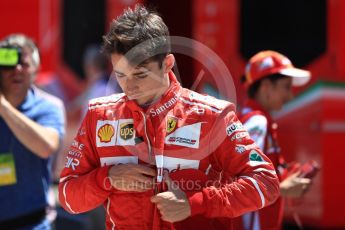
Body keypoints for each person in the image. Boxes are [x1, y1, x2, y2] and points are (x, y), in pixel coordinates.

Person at [58, 5, 280, 229]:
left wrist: (195, 204)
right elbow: (68, 198)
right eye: (120, 75)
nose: (129, 86)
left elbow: (266, 183)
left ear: (167, 64)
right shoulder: (100, 116)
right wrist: (107, 178)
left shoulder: (212, 115)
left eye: (140, 74)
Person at [235, 50, 313, 230]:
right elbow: (242, 180)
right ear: (266, 86)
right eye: (286, 87)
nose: (290, 96)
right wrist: (284, 188)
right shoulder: (257, 123)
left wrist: (287, 175)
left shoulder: (254, 120)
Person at [0, 34, 65, 229]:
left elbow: (46, 147)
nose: (17, 70)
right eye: (9, 64)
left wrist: (3, 107)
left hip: (33, 223)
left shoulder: (48, 106)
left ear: (35, 70)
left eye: (24, 64)